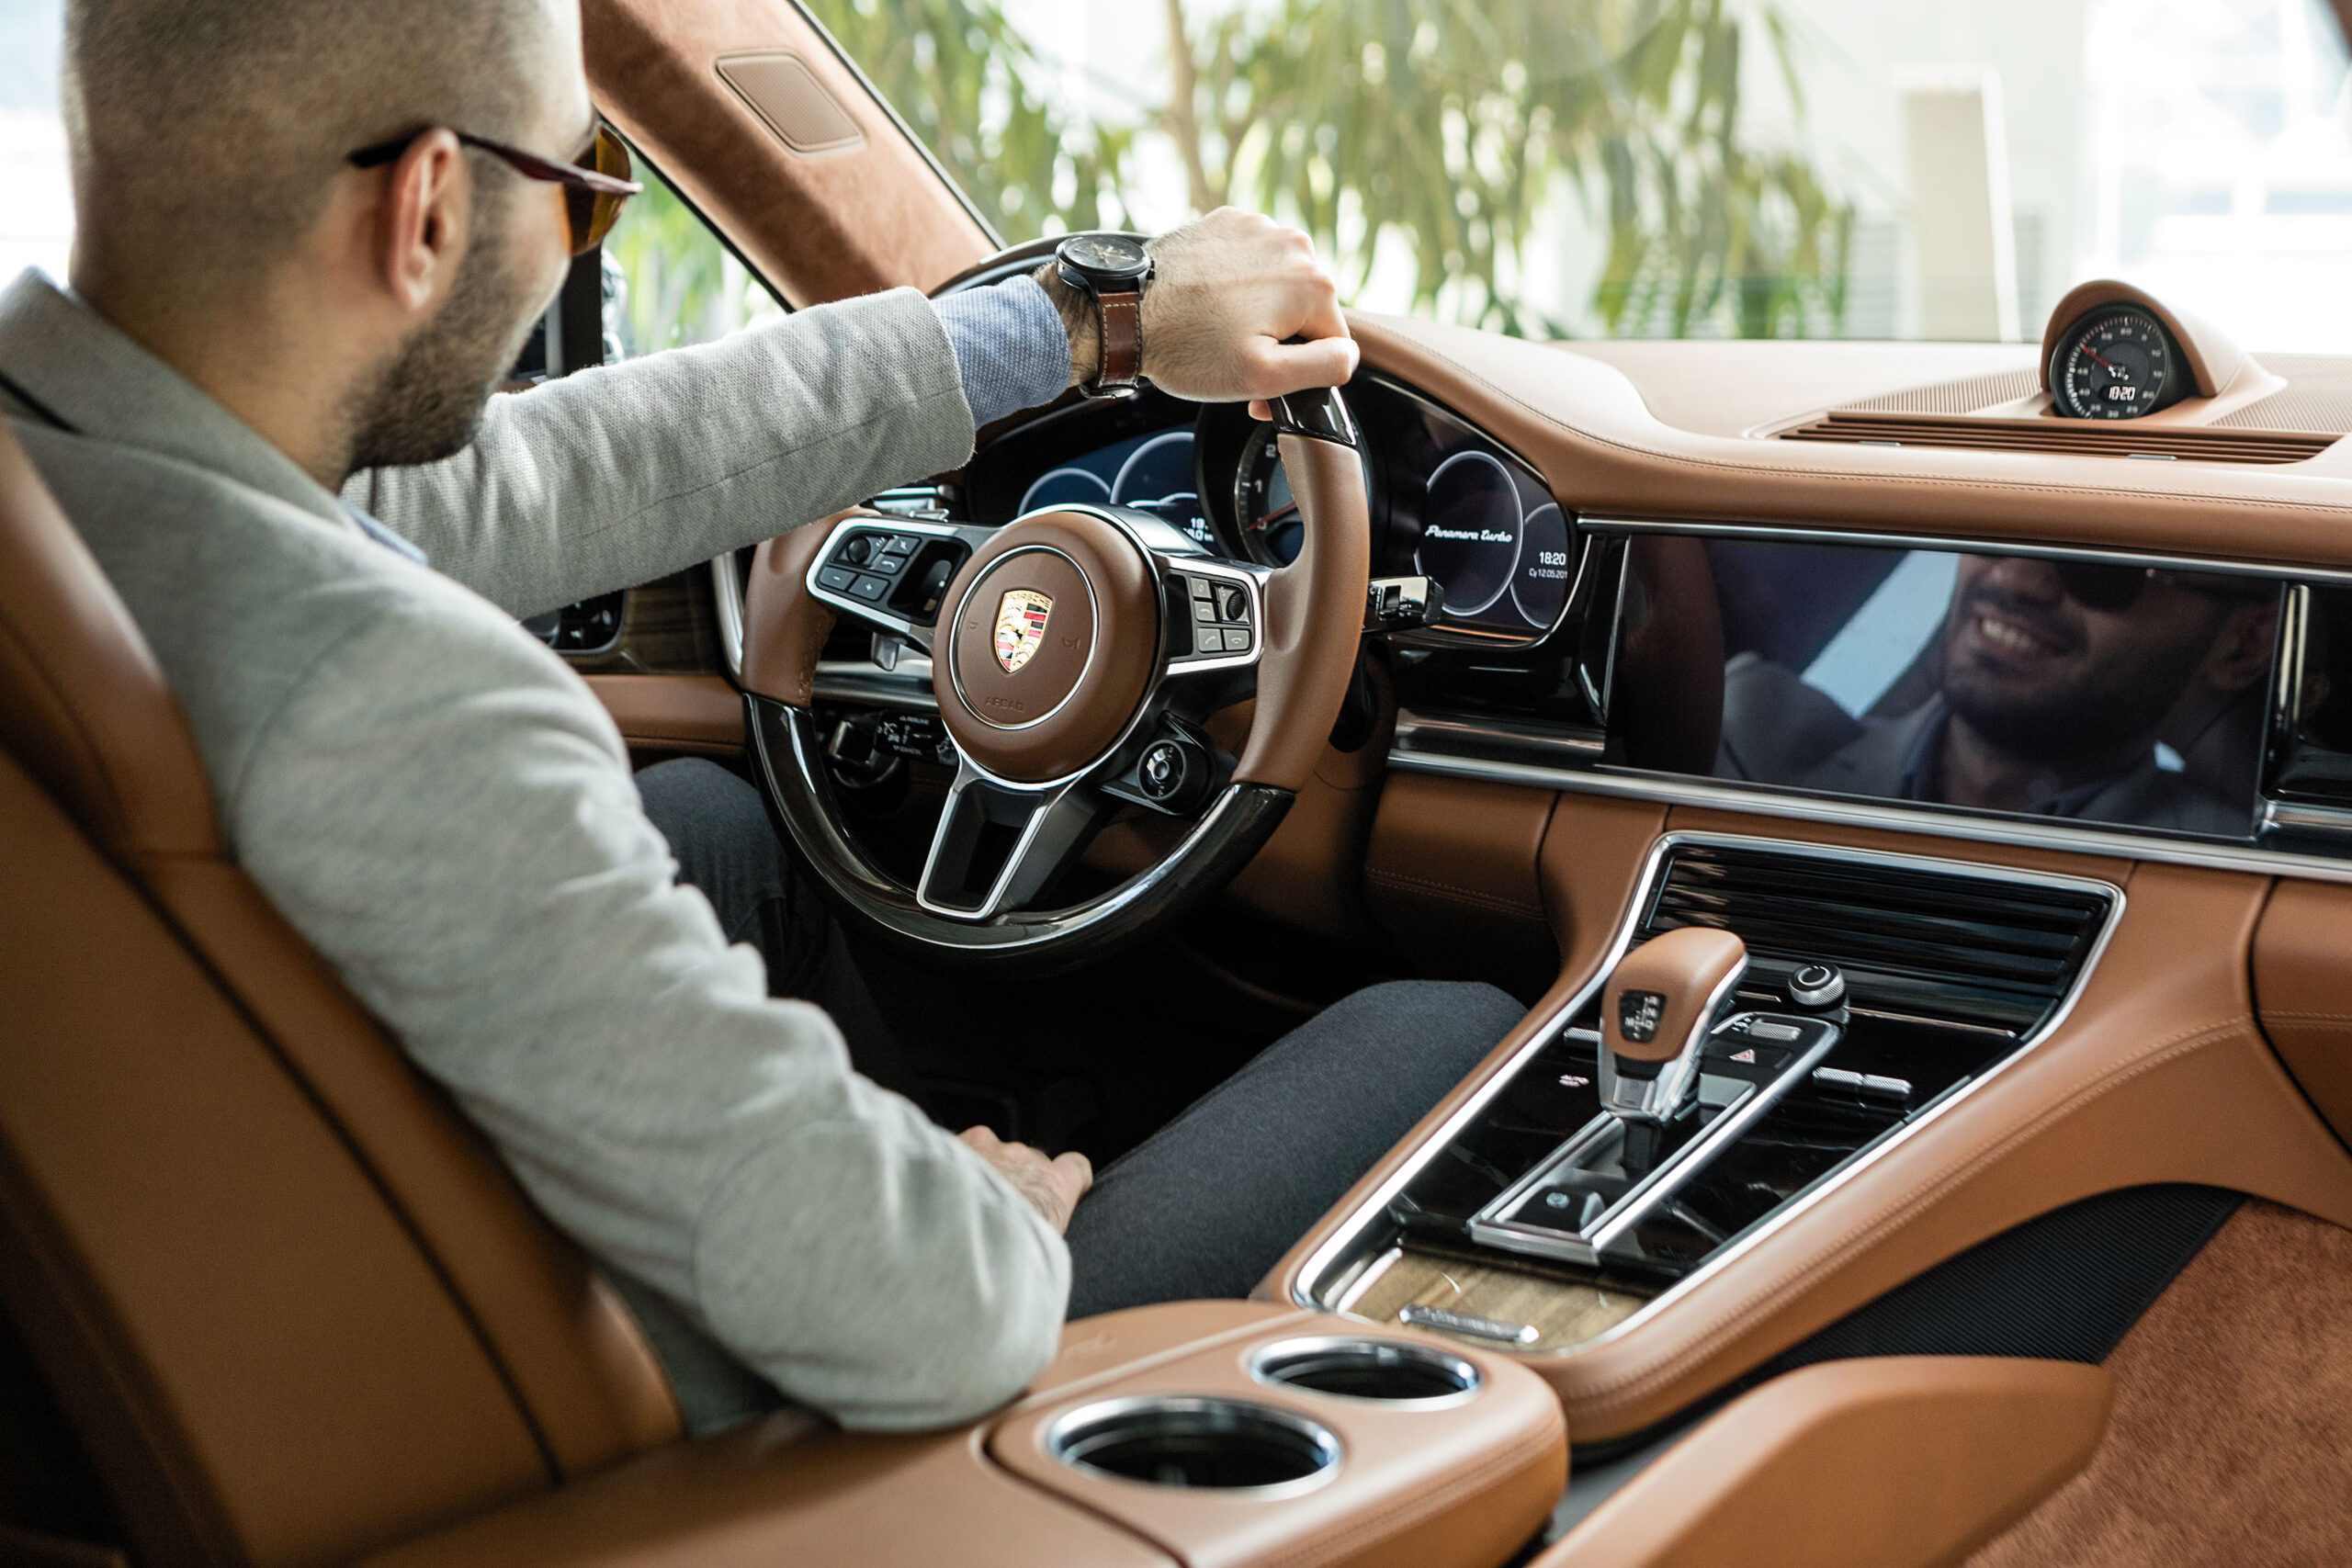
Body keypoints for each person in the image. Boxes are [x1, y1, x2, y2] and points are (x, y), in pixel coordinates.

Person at [1, 0, 1527, 1434]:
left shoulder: (74, 496)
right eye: (586, 187)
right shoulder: (388, 695)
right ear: (427, 215)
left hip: (227, 1307)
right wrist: (981, 1205)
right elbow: (938, 1313)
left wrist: (1092, 325)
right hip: (673, 1448)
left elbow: (570, 464)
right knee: (1443, 1032)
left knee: (716, 833)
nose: (583, 225)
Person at [1718, 552, 2278, 833]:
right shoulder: (1741, 737)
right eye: (1999, 520)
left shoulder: (2254, 875)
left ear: (2242, 645)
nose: (2015, 578)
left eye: (2108, 564)